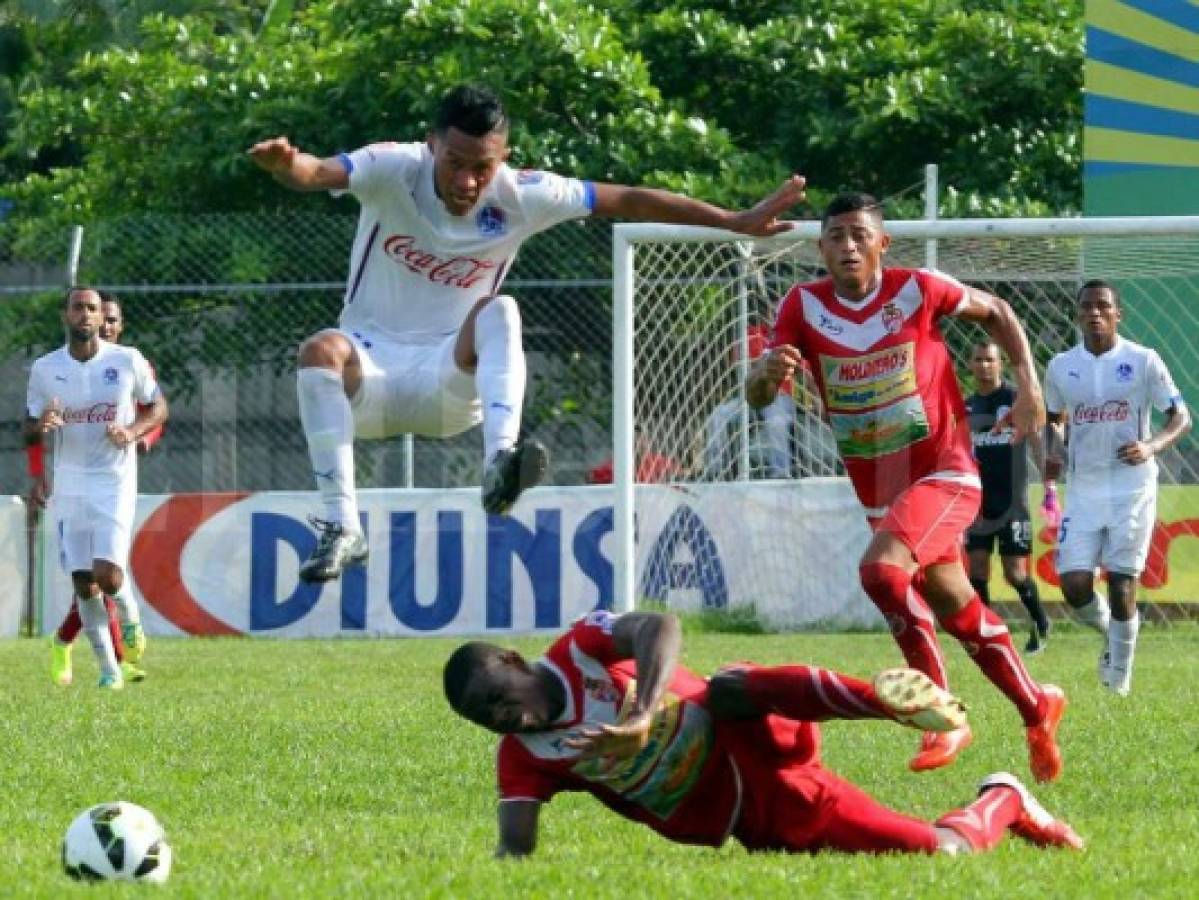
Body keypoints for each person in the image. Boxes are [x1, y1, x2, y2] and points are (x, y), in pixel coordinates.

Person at [248, 83, 806, 583]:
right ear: (431, 144)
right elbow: (318, 173)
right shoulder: (393, 166)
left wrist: (733, 220)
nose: (467, 181)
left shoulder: (523, 193)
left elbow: (629, 199)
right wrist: (285, 164)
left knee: (501, 310)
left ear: (504, 157)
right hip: (369, 382)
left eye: (482, 167)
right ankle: (343, 527)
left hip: (451, 384)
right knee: (319, 349)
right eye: (455, 162)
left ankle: (500, 462)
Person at [747, 192, 1065, 779]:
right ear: (820, 248)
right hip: (880, 484)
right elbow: (763, 394)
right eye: (836, 236)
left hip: (946, 469)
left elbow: (997, 310)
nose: (848, 246)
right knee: (954, 605)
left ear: (882, 244)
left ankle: (943, 711)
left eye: (860, 235)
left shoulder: (916, 287)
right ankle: (1036, 705)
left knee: (881, 572)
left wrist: (1030, 387)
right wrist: (761, 380)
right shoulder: (800, 306)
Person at [443, 609, 1082, 858]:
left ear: (515, 663)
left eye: (500, 700)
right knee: (946, 855)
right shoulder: (525, 758)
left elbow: (659, 627)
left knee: (730, 686)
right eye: (488, 719)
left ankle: (896, 705)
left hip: (751, 733)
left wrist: (642, 717)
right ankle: (1005, 797)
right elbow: (515, 854)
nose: (506, 718)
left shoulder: (580, 649)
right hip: (761, 813)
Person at [1043, 279, 1190, 696]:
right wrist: (1052, 448)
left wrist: (1151, 445)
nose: (1094, 313)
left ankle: (1118, 681)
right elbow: (1053, 418)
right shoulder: (1060, 366)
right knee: (1073, 584)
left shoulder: (1143, 361)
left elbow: (1180, 417)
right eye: (1086, 306)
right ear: (1077, 314)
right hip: (1084, 488)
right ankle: (1111, 631)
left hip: (1132, 487)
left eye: (1103, 306)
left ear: (1117, 314)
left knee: (1123, 583)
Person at [24, 286, 168, 689]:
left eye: (92, 308)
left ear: (101, 316)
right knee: (82, 582)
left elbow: (159, 408)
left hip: (114, 482)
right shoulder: (45, 368)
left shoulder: (127, 360)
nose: (86, 315)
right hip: (68, 486)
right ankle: (109, 671)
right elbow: (28, 428)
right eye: (78, 308)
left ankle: (129, 611)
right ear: (65, 315)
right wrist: (41, 427)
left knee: (108, 576)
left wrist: (134, 431)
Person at [964, 340, 1054, 654]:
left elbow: (1037, 439)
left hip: (1012, 502)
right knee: (975, 569)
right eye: (979, 360)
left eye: (990, 360)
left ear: (1001, 363)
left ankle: (1042, 623)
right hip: (976, 503)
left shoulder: (1016, 400)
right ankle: (987, 634)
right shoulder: (966, 407)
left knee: (1015, 574)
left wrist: (1049, 483)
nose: (985, 366)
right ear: (970, 365)